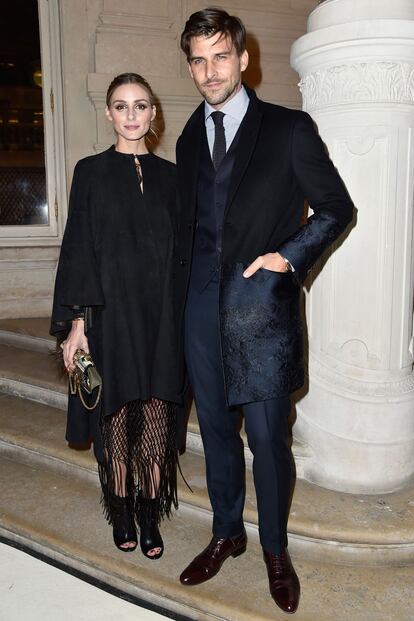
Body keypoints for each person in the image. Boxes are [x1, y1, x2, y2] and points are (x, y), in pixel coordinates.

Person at [175, 8, 354, 614]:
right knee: (217, 433)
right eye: (197, 60)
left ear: (244, 58)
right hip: (200, 306)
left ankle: (275, 549)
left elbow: (336, 208)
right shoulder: (185, 136)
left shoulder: (289, 129)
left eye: (219, 56)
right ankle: (228, 533)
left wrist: (288, 256)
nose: (209, 71)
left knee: (269, 442)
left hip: (262, 314)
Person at [50, 73, 183, 560]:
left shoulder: (173, 178)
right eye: (121, 106)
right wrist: (77, 326)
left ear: (153, 114)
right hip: (110, 314)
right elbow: (79, 250)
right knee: (116, 412)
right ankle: (121, 507)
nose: (131, 115)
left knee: (155, 413)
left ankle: (150, 511)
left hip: (163, 316)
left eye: (140, 105)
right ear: (108, 114)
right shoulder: (90, 171)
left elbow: (187, 253)